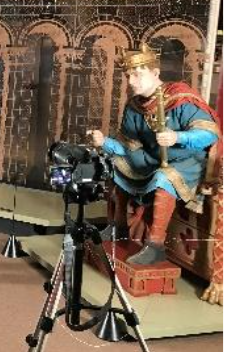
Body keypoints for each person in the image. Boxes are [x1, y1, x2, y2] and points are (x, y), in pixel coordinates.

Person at [87, 43, 220, 268]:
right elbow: (127, 147)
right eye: (128, 75)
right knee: (115, 164)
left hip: (185, 161)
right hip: (151, 159)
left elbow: (209, 134)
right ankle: (118, 227)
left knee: (163, 178)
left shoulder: (180, 98)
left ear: (155, 73)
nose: (131, 81)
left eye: (137, 74)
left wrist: (177, 138)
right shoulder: (135, 106)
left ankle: (155, 246)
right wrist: (104, 142)